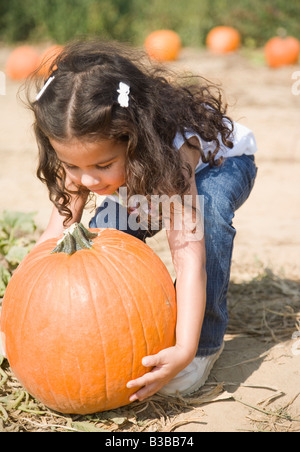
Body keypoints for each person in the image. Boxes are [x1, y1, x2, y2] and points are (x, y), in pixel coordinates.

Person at [26, 39, 257, 402]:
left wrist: (182, 349)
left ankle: (204, 344)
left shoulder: (171, 157)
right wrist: (17, 314)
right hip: (141, 180)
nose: (87, 180)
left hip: (219, 167)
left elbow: (189, 259)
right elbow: (53, 237)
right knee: (105, 237)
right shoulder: (77, 154)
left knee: (208, 216)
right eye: (73, 166)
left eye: (102, 165)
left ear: (132, 140)